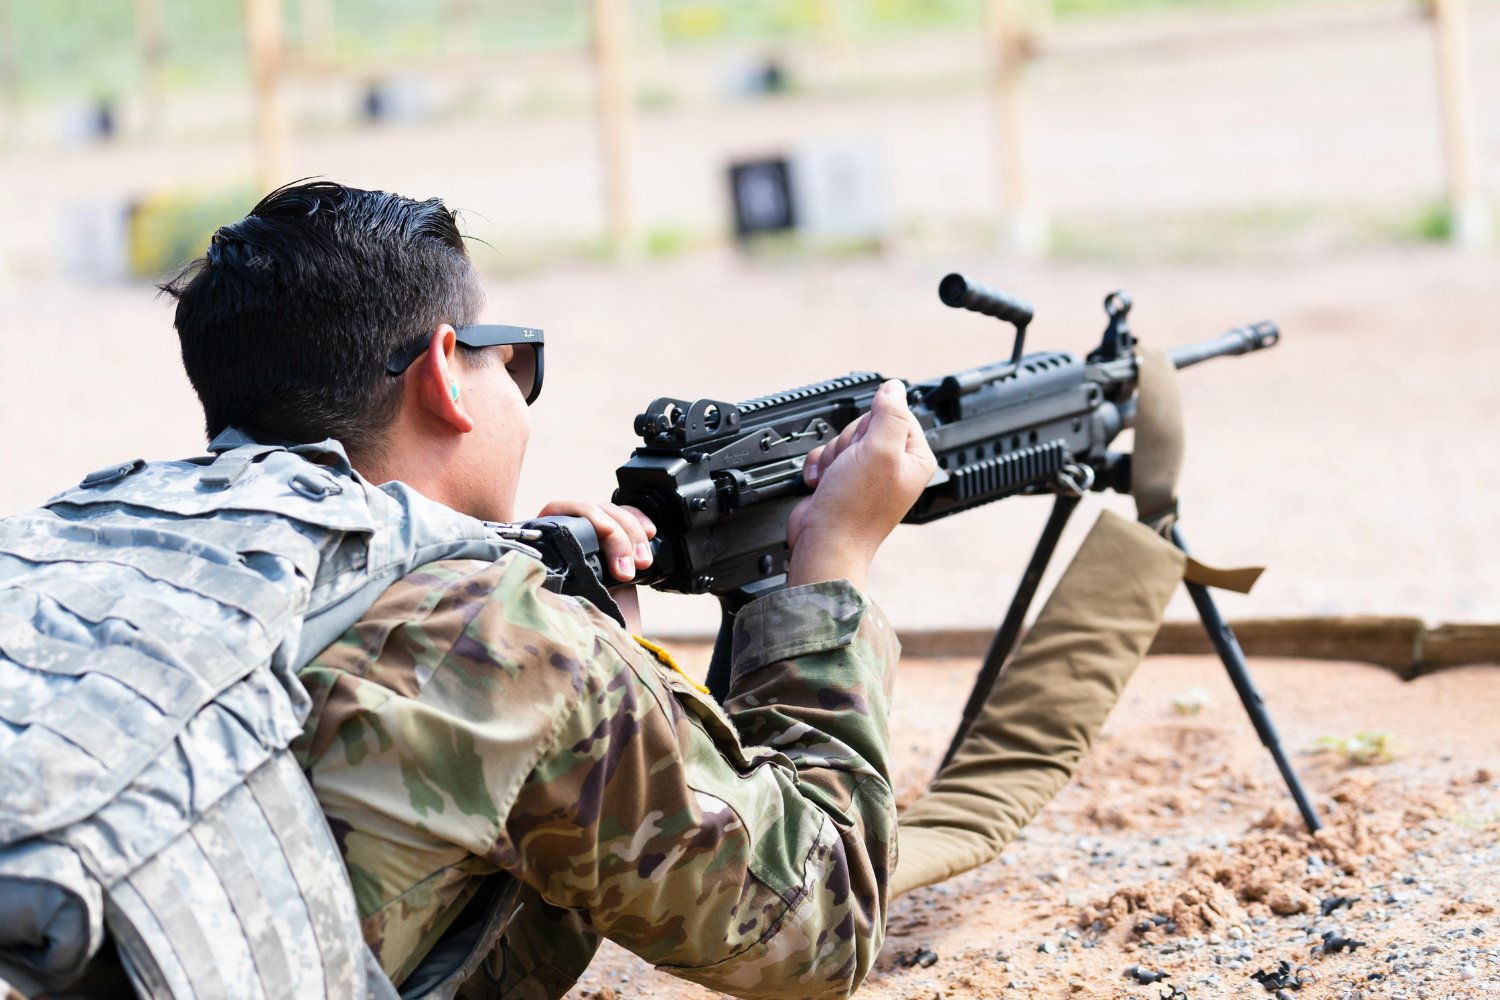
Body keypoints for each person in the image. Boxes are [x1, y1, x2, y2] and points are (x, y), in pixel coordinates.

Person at [0, 181, 1188, 1000]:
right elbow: (814, 934)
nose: (520, 387)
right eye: (511, 358)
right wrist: (827, 576)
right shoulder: (510, 648)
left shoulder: (86, 540)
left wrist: (577, 632)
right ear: (445, 380)